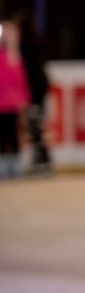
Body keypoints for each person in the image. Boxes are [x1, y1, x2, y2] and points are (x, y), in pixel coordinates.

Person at [13, 9, 52, 175]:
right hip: (39, 89)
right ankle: (42, 161)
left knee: (36, 128)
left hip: (34, 91)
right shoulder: (36, 43)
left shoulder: (25, 46)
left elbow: (27, 73)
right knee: (37, 127)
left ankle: (42, 162)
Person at [0, 19, 30, 179]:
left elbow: (20, 81)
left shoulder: (14, 57)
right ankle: (4, 166)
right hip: (2, 104)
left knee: (13, 135)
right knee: (3, 136)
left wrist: (23, 100)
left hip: (12, 104)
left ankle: (16, 166)